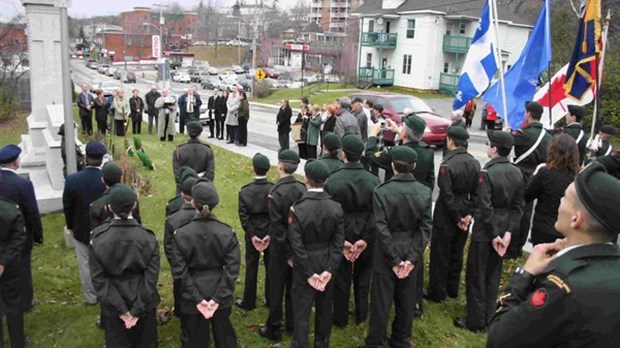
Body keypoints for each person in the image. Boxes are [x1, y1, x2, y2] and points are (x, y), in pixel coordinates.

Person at [487, 162, 620, 347]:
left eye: (564, 198)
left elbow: (499, 338)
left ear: (576, 219)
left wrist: (525, 274)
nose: (560, 202)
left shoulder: (564, 287)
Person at [454, 130, 524, 332]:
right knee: (493, 274)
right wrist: (508, 232)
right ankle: (488, 314)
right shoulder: (516, 171)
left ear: (494, 148)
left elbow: (485, 207)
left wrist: (494, 235)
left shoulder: (487, 173)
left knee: (477, 274)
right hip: (504, 228)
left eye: (488, 144)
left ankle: (475, 320)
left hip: (487, 231)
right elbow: (518, 206)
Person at [364, 146, 433, 348]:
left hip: (387, 251)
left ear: (392, 166)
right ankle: (401, 340)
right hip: (411, 247)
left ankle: (375, 341)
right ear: (414, 166)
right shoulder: (424, 192)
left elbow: (381, 228)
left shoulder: (382, 191)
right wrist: (411, 259)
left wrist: (394, 260)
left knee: (380, 301)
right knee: (406, 300)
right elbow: (425, 228)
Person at [170, 179, 240, 347]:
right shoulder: (227, 233)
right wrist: (217, 298)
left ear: (193, 202)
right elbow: (232, 271)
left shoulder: (181, 234)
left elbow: (180, 271)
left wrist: (197, 299)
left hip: (191, 293)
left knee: (194, 340)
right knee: (224, 338)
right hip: (219, 291)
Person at [89, 185, 160, 348]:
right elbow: (151, 279)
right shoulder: (148, 238)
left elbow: (99, 281)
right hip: (143, 301)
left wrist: (122, 310)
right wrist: (135, 309)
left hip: (113, 303)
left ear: (109, 208)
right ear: (134, 205)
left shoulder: (98, 240)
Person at [288, 160, 345, 347]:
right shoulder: (336, 207)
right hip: (327, 261)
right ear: (326, 181)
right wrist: (329, 269)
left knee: (302, 310)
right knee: (324, 309)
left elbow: (296, 245)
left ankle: (300, 343)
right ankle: (322, 343)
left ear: (306, 179)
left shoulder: (298, 208)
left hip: (306, 264)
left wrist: (308, 273)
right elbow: (338, 243)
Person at [326, 134, 380, 327]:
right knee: (364, 276)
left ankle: (339, 316)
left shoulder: (332, 180)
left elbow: (330, 212)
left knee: (341, 276)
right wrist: (365, 238)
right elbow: (376, 213)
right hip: (366, 229)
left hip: (343, 230)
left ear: (343, 154)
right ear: (362, 154)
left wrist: (341, 241)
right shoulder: (374, 181)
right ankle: (361, 313)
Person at [426, 126, 480, 303]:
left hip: (447, 213)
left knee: (440, 253)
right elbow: (477, 193)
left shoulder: (447, 164)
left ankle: (437, 291)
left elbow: (446, 194)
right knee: (457, 252)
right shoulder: (474, 163)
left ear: (450, 141)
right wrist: (468, 215)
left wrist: (456, 217)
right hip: (465, 210)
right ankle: (452, 288)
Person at [259, 150, 306, 342]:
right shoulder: (302, 189)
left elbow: (277, 229)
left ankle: (274, 327)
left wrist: (286, 255)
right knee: (294, 287)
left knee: (277, 288)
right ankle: (292, 323)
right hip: (298, 248)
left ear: (280, 166)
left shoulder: (275, 193)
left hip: (281, 251)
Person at [62, 141, 107, 306]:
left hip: (81, 228)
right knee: (103, 262)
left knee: (85, 264)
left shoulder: (73, 180)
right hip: (103, 228)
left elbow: (67, 206)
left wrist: (70, 226)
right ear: (102, 160)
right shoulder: (106, 180)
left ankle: (90, 296)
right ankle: (104, 292)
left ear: (86, 157)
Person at [0, 145, 43, 314]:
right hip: (19, 234)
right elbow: (32, 212)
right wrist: (38, 235)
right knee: (22, 269)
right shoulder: (23, 184)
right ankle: (24, 302)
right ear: (16, 162)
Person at [509, 101, 552, 258]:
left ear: (528, 114)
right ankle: (519, 247)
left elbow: (507, 143)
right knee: (526, 212)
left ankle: (510, 246)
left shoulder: (524, 134)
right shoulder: (548, 136)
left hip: (520, 175)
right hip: (535, 176)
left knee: (515, 210)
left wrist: (508, 132)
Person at [525, 134, 580, 245]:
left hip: (543, 228)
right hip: (567, 230)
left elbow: (526, 195)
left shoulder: (545, 173)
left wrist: (534, 176)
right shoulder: (578, 177)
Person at [236, 153, 274, 311]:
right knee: (271, 267)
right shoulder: (274, 189)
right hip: (269, 230)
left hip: (252, 229)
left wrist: (252, 235)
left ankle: (248, 301)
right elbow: (276, 215)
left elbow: (244, 216)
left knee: (252, 266)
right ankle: (271, 300)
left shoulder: (245, 191)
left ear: (253, 168)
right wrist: (269, 234)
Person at [0, 197, 27, 348]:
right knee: (13, 303)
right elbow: (18, 237)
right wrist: (3, 262)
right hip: (9, 264)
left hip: (7, 263)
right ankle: (18, 341)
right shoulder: (10, 209)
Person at [89, 161, 141, 229]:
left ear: (102, 180)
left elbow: (94, 232)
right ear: (121, 178)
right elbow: (138, 223)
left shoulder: (96, 205)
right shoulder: (130, 199)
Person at [173, 121, 215, 192]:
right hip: (202, 189)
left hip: (184, 190)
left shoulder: (178, 151)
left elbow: (177, 175)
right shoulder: (207, 151)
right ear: (200, 133)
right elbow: (210, 174)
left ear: (187, 132)